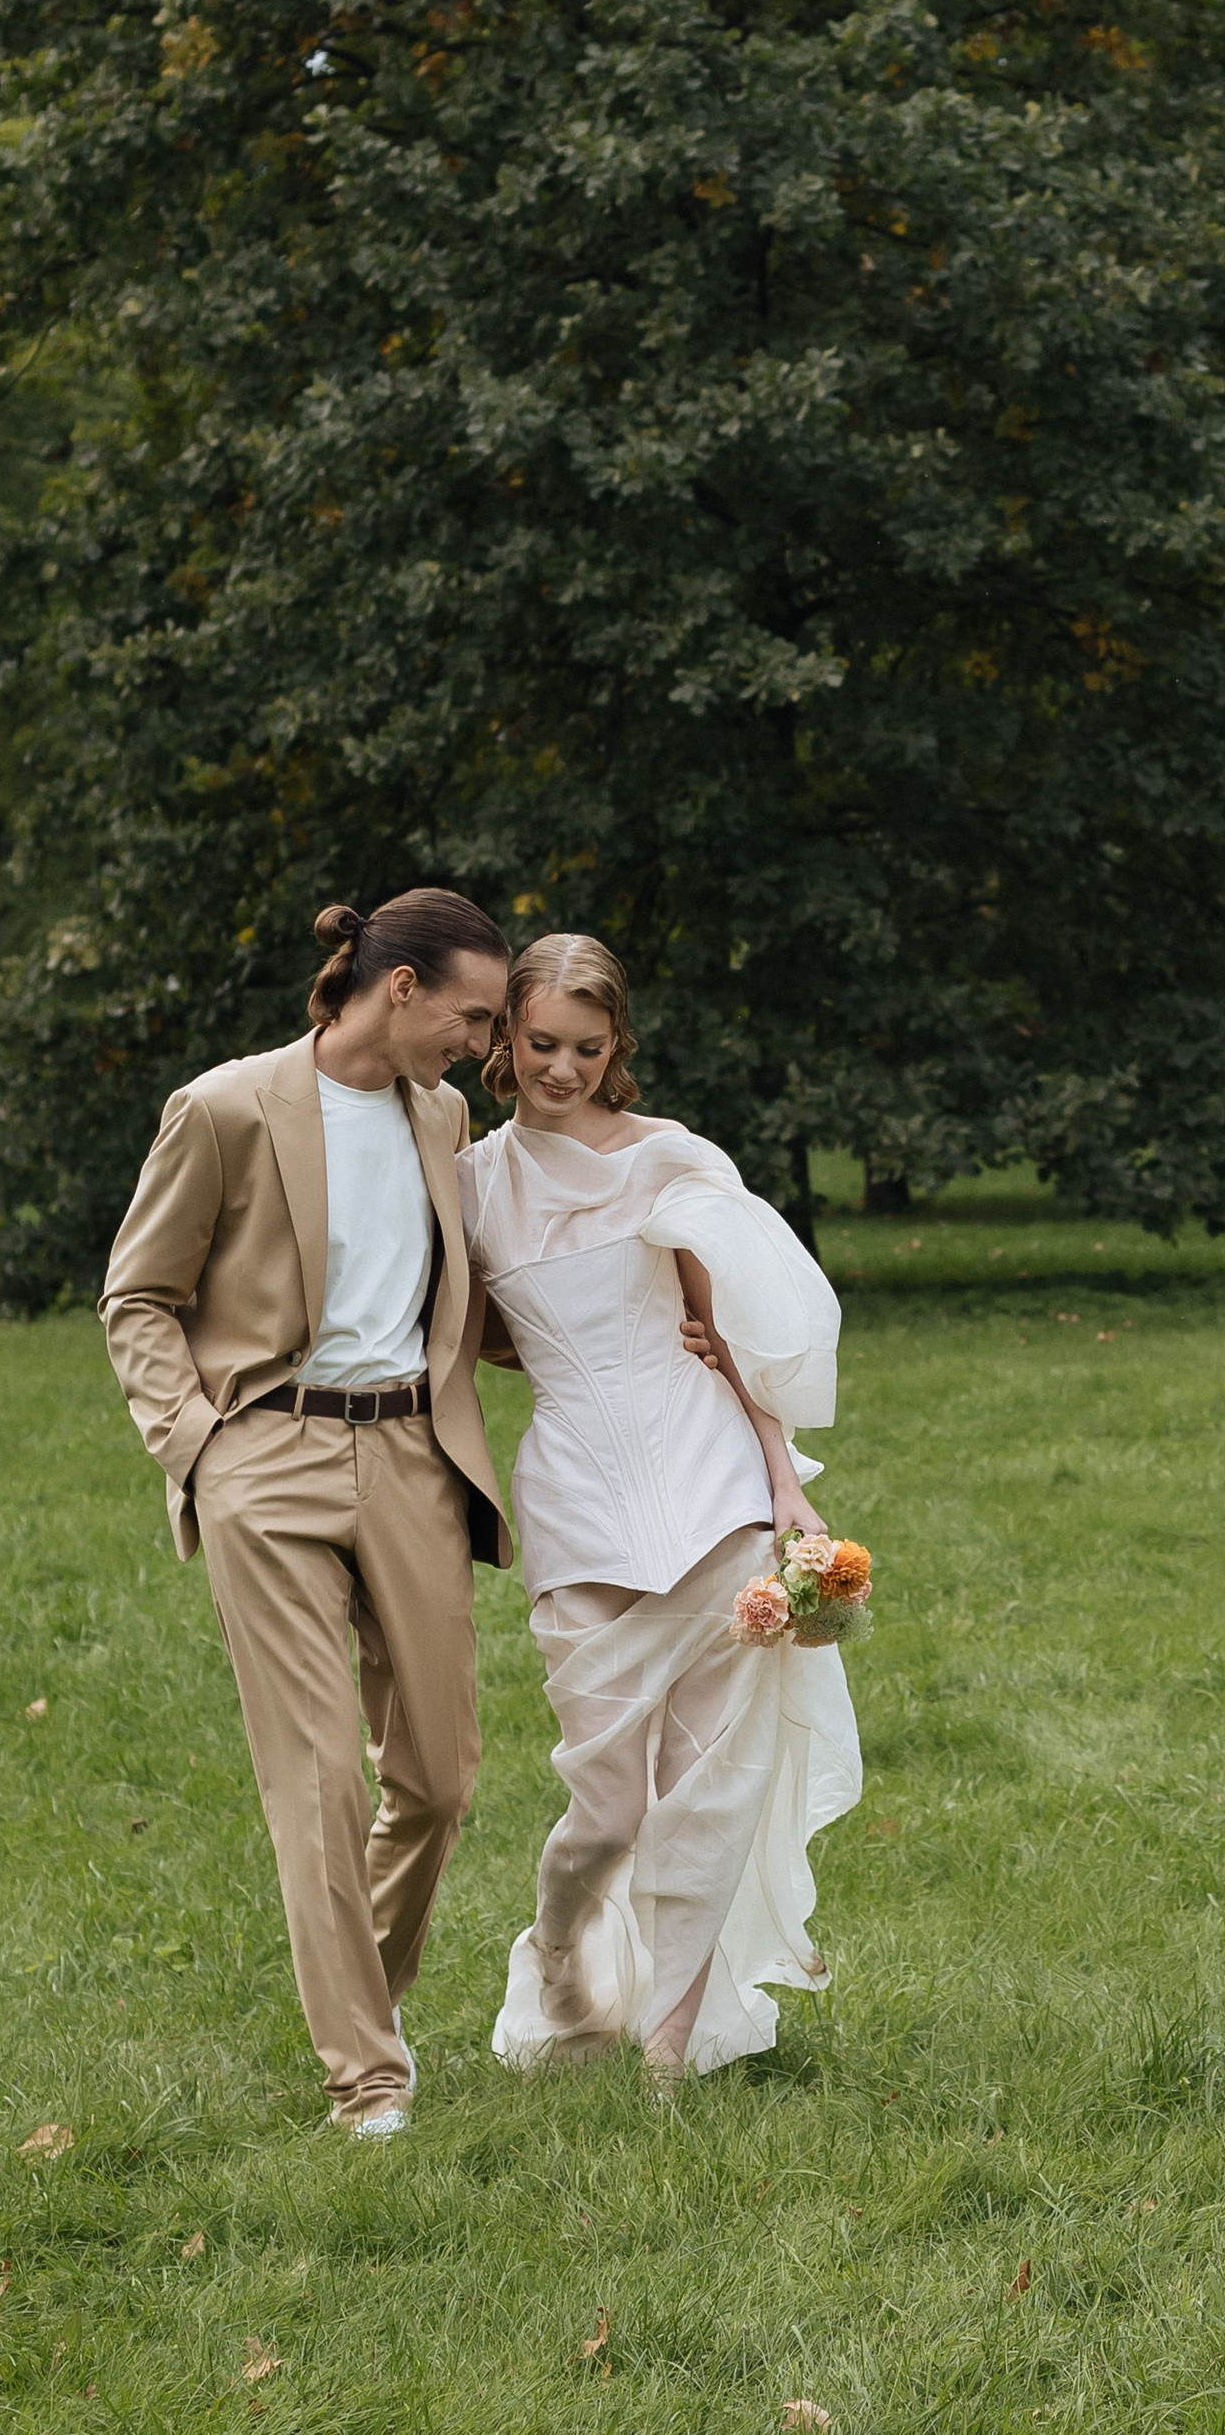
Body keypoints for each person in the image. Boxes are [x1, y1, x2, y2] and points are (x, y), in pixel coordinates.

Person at [99, 887, 515, 2135]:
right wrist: (200, 1447)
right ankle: (366, 2079)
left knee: (437, 1780)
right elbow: (138, 1298)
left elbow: (470, 1300)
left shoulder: (441, 1118)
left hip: (412, 1460)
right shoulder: (227, 1108)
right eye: (474, 1014)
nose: (483, 1047)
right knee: (319, 1779)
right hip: (266, 1459)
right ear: (400, 989)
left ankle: (360, 2007)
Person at [460, 931, 861, 2084]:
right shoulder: (474, 1182)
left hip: (714, 1489)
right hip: (577, 1505)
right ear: (506, 1037)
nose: (561, 1069)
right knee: (604, 1808)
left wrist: (784, 1490)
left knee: (708, 1789)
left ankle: (669, 2057)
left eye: (588, 1048)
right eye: (541, 1043)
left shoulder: (669, 1160)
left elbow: (729, 1338)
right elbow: (470, 1330)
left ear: (616, 1046)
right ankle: (567, 1988)